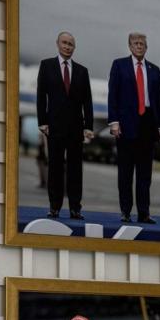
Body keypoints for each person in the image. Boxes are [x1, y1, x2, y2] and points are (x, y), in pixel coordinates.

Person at [108, 32, 160, 224]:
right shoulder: (119, 65)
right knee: (125, 173)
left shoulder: (154, 70)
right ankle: (125, 211)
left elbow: (159, 100)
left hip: (148, 126)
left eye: (142, 43)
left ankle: (144, 213)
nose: (139, 46)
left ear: (146, 47)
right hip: (126, 125)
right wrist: (114, 121)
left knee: (145, 174)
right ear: (130, 46)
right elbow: (113, 96)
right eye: (136, 43)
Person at [36, 32, 95, 220]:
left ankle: (75, 208)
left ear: (74, 48)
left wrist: (89, 126)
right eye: (65, 43)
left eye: (71, 44)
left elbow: (88, 101)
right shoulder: (46, 66)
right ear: (58, 44)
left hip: (76, 128)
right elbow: (41, 95)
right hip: (54, 126)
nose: (67, 47)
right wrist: (42, 121)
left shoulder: (82, 71)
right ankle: (54, 207)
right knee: (55, 168)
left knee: (75, 170)